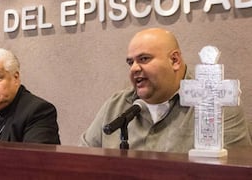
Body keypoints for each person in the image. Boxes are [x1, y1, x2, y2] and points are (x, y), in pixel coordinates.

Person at [80, 28, 251, 152]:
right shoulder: (115, 105)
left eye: (144, 59)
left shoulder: (216, 104)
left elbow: (234, 172)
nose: (134, 68)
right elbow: (82, 161)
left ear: (175, 60)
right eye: (130, 62)